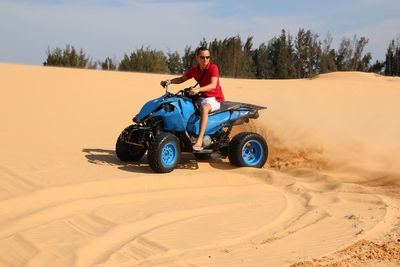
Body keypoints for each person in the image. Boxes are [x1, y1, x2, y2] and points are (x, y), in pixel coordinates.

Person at [160, 47, 225, 151]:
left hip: (214, 99)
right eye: (202, 57)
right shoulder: (194, 70)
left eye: (207, 57)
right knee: (182, 104)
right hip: (201, 97)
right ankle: (185, 134)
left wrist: (198, 89)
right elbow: (182, 79)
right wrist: (169, 81)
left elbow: (213, 85)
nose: (205, 60)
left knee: (204, 108)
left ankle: (199, 141)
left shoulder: (213, 68)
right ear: (197, 58)